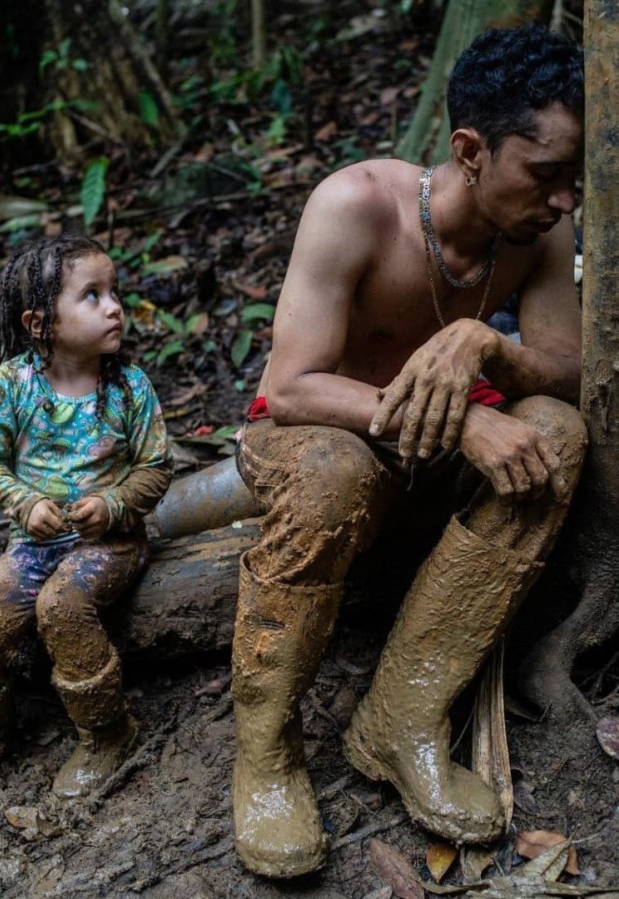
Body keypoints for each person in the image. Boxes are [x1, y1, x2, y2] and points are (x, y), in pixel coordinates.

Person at [231, 23, 587, 878]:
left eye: (576, 179)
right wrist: (462, 419)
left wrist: (486, 345)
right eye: (545, 174)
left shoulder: (538, 238)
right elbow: (292, 387)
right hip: (319, 439)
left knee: (556, 436)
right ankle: (266, 751)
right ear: (471, 149)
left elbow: (569, 374)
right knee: (331, 470)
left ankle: (402, 716)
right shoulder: (355, 204)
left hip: (426, 463)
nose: (565, 199)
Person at [0, 235, 172, 804]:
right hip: (33, 545)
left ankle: (108, 732)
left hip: (110, 543)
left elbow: (157, 467)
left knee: (63, 606)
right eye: (91, 296)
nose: (114, 305)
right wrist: (26, 503)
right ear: (40, 323)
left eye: (113, 291)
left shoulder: (129, 388)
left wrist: (114, 504)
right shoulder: (14, 385)